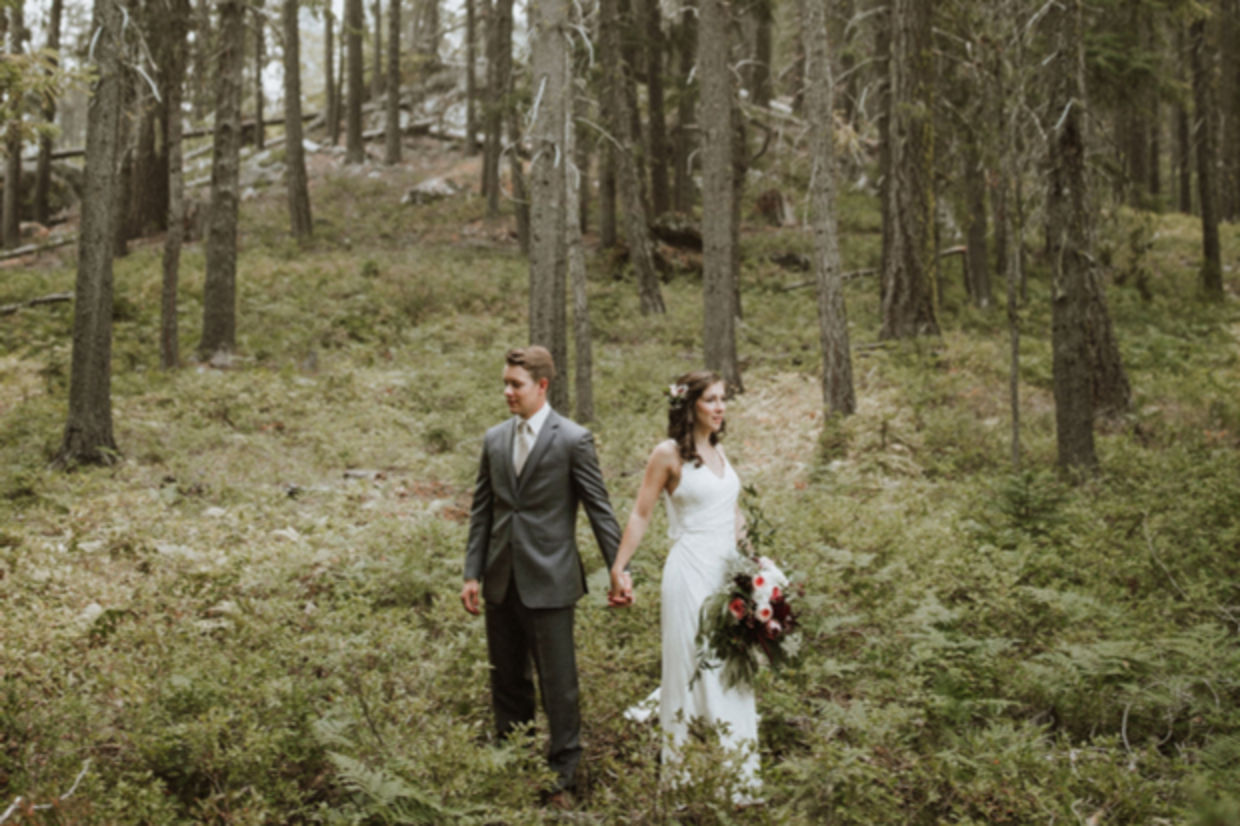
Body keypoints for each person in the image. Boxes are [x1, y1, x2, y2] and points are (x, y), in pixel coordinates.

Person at [461, 345, 622, 806]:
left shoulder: (573, 439)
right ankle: (511, 763)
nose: (507, 392)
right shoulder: (494, 439)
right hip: (499, 580)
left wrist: (618, 569)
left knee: (559, 684)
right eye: (505, 383)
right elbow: (482, 511)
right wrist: (472, 572)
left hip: (551, 581)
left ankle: (563, 777)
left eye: (516, 384)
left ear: (543, 386)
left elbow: (600, 510)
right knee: (507, 680)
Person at [607, 370, 761, 803]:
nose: (719, 408)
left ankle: (736, 777)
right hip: (689, 570)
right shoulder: (668, 454)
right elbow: (641, 513)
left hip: (726, 572)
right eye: (710, 400)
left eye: (723, 400)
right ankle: (687, 780)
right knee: (693, 666)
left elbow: (733, 516)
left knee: (732, 669)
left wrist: (757, 564)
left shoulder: (719, 452)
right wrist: (620, 566)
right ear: (689, 404)